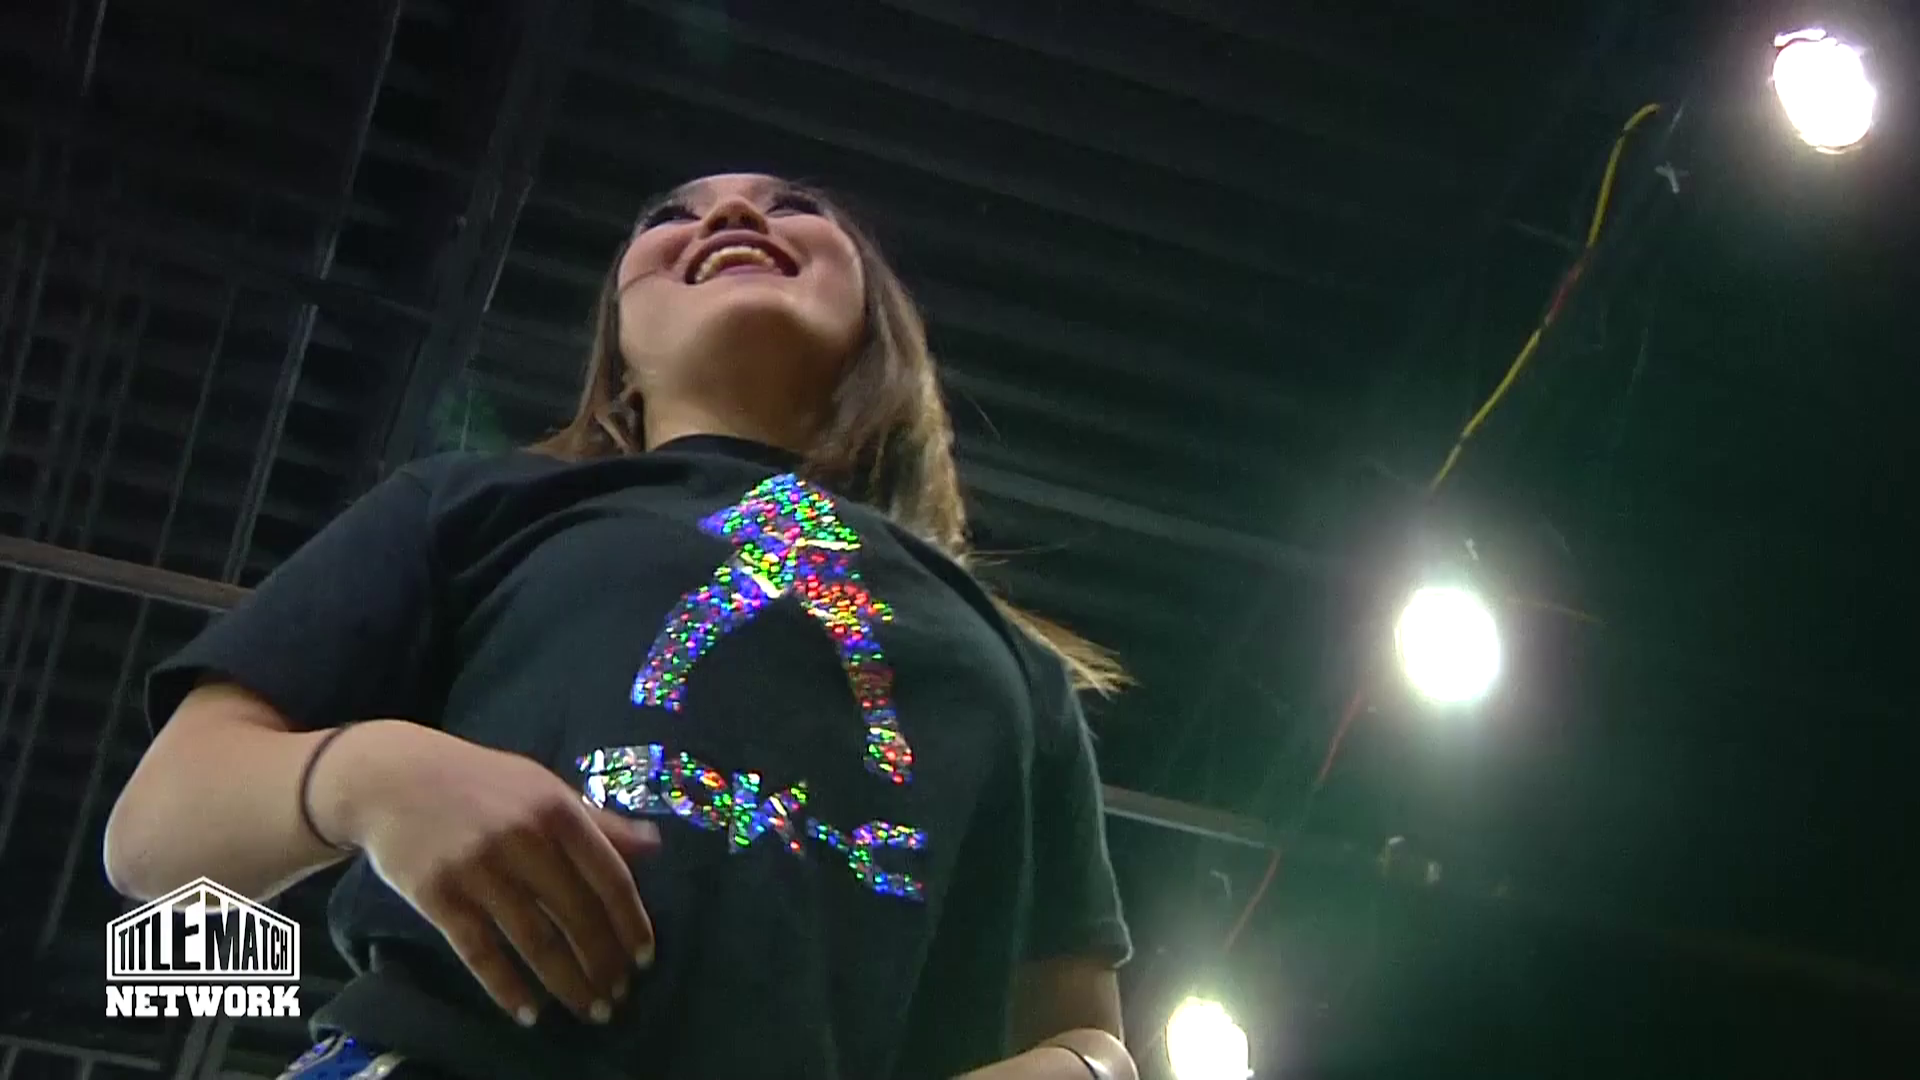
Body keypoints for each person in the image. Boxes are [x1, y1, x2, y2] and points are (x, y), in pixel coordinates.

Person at [105, 173, 1137, 1080]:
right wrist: (371, 775)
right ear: (619, 344)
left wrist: (1095, 1066)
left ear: (880, 316)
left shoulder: (1015, 666)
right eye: (671, 216)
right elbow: (156, 833)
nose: (731, 215)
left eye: (793, 206)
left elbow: (1076, 1023)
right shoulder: (473, 504)